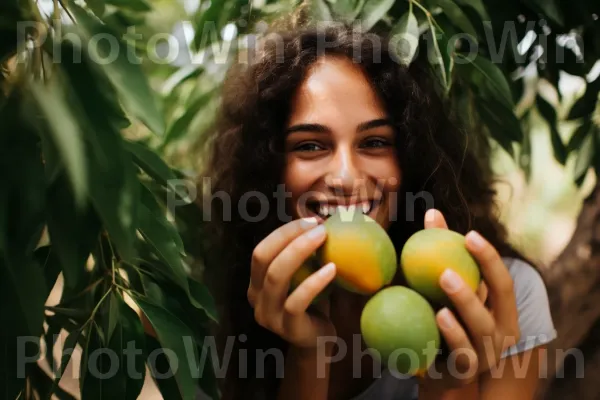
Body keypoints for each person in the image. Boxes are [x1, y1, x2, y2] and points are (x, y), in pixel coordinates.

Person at [198, 12, 557, 400]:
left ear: (409, 158)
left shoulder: (504, 296)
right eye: (310, 145)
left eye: (374, 142)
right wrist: (308, 357)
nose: (346, 177)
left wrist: (449, 386)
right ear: (269, 168)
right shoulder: (212, 318)